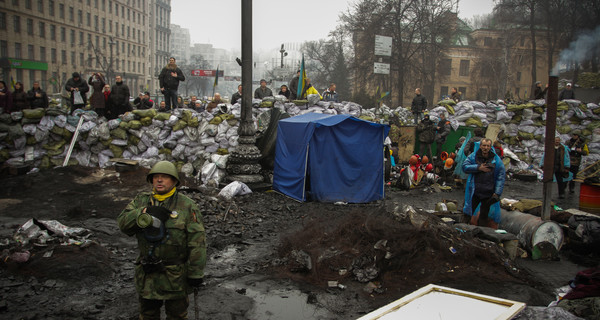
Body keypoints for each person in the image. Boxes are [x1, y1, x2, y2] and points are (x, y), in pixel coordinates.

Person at [117, 161, 206, 320]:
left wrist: (196, 272)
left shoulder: (187, 206)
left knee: (177, 315)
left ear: (174, 181)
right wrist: (144, 212)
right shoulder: (141, 201)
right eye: (156, 177)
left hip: (175, 276)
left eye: (164, 177)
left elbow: (197, 242)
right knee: (147, 315)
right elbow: (123, 225)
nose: (159, 180)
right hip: (148, 274)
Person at [462, 139, 505, 229]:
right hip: (475, 190)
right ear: (480, 146)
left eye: (487, 146)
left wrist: (497, 193)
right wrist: (478, 168)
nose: (485, 148)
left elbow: (500, 177)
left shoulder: (496, 159)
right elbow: (465, 167)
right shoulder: (474, 156)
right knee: (468, 212)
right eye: (484, 145)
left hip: (488, 192)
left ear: (490, 147)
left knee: (484, 215)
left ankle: (481, 233)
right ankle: (465, 230)